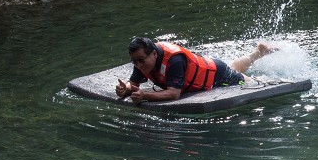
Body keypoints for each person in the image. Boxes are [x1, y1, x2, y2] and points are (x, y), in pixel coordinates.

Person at [116, 37, 278, 104]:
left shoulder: (174, 61)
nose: (137, 65)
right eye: (134, 61)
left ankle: (273, 81)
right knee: (234, 67)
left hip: (216, 75)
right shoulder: (142, 61)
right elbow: (133, 83)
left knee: (252, 83)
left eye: (140, 60)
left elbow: (174, 93)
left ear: (154, 54)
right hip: (213, 66)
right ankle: (258, 52)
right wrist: (126, 89)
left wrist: (144, 95)